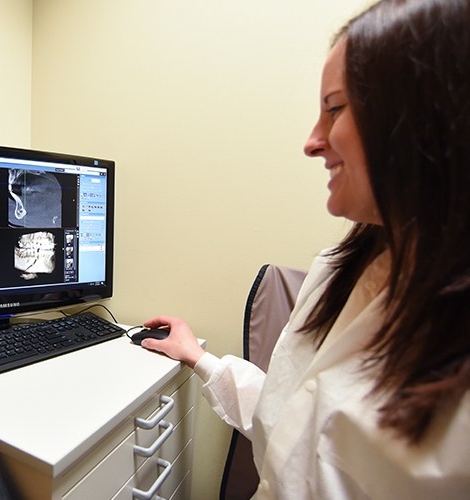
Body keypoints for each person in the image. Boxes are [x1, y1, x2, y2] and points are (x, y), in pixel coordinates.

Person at [141, 0, 470, 498]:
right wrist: (200, 359)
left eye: (335, 108)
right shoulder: (342, 268)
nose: (313, 142)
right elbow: (292, 420)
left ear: (425, 118)